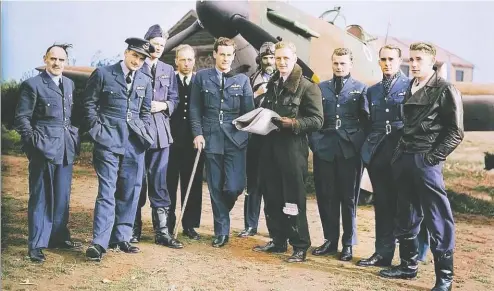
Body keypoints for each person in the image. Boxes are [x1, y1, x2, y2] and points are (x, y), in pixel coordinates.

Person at [380, 42, 464, 291]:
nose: (414, 64)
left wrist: (432, 157)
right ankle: (408, 266)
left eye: (419, 60)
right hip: (405, 158)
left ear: (431, 62)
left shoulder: (445, 89)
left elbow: (455, 132)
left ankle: (444, 279)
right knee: (406, 213)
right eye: (411, 59)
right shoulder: (411, 86)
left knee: (437, 217)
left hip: (425, 160)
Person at [83, 37, 155, 261]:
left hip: (134, 143)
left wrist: (144, 132)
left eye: (142, 58)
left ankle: (122, 237)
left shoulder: (145, 79)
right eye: (135, 55)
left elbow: (145, 112)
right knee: (107, 192)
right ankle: (99, 243)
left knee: (129, 191)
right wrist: (97, 131)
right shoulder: (104, 73)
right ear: (126, 52)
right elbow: (89, 104)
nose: (137, 61)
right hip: (108, 141)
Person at [252, 41, 323, 263]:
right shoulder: (272, 84)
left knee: (293, 198)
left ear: (294, 59)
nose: (281, 62)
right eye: (278, 58)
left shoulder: (307, 87)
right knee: (272, 195)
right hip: (270, 147)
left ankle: (300, 245)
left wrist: (292, 123)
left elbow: (318, 120)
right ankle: (278, 239)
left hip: (292, 149)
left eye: (286, 58)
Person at [14, 43, 81, 262]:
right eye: (53, 59)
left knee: (62, 196)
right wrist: (34, 143)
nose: (57, 63)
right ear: (45, 59)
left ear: (66, 62)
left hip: (64, 148)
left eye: (61, 60)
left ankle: (57, 237)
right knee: (41, 197)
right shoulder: (32, 85)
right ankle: (36, 245)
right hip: (43, 148)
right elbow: (22, 118)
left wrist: (73, 137)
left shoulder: (69, 84)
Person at [189, 37, 254, 247]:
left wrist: (244, 137)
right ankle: (222, 230)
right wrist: (197, 134)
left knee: (234, 187)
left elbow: (249, 114)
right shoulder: (201, 77)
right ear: (215, 54)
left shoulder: (242, 80)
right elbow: (195, 108)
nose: (226, 58)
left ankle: (222, 214)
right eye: (222, 54)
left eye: (229, 55)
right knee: (215, 186)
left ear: (233, 56)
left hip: (236, 139)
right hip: (210, 138)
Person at [309, 48, 369, 261]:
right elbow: (314, 117)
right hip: (324, 149)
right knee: (326, 196)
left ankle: (348, 244)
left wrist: (356, 144)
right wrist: (315, 143)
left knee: (348, 197)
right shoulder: (321, 88)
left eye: (343, 63)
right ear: (331, 63)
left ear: (350, 65)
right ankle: (330, 240)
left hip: (349, 151)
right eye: (336, 63)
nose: (339, 67)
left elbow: (366, 122)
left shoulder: (361, 89)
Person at [130, 24, 182, 249]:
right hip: (137, 133)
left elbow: (174, 99)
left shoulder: (167, 70)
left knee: (160, 183)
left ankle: (162, 232)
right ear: (147, 43)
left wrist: (162, 104)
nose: (159, 48)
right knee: (136, 182)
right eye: (156, 44)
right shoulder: (135, 65)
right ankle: (132, 230)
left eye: (162, 45)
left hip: (161, 133)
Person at [358, 44, 410, 267]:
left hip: (402, 151)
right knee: (383, 204)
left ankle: (410, 257)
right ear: (378, 62)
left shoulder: (411, 87)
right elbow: (368, 122)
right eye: (383, 59)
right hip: (379, 152)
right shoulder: (373, 91)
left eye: (391, 59)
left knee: (406, 206)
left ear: (399, 61)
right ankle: (383, 253)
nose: (387, 63)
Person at [239, 41, 276, 238]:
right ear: (259, 60)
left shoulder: (283, 79)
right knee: (252, 184)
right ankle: (250, 225)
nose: (269, 62)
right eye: (265, 58)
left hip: (274, 137)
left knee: (273, 184)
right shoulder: (252, 78)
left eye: (272, 57)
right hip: (255, 136)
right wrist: (257, 94)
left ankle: (274, 228)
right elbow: (245, 106)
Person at [167, 44, 204, 240]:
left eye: (190, 59)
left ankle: (189, 225)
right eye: (183, 59)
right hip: (171, 142)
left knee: (193, 184)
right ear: (176, 61)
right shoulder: (169, 81)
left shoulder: (199, 81)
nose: (187, 63)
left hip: (193, 143)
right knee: (169, 183)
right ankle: (168, 223)